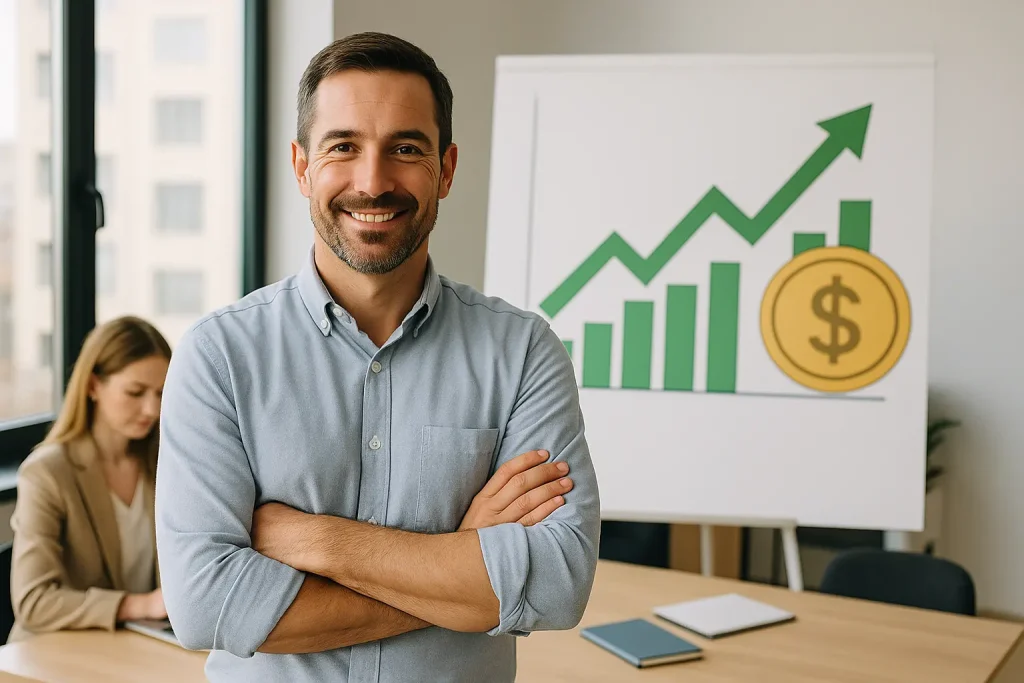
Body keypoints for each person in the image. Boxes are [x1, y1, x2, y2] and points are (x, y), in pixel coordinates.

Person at [155, 31, 601, 682]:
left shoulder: (524, 352)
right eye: (344, 147)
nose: (373, 181)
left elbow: (558, 584)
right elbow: (204, 605)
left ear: (446, 169)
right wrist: (460, 560)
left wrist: (317, 540)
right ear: (302, 165)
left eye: (406, 148)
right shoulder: (218, 357)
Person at [8, 316, 172, 642]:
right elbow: (33, 601)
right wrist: (140, 605)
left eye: (161, 393)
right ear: (94, 385)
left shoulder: (163, 463)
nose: (152, 410)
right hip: (55, 652)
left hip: (138, 646)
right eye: (136, 392)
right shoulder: (47, 473)